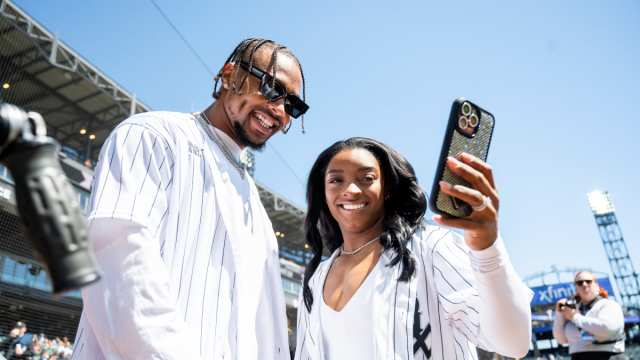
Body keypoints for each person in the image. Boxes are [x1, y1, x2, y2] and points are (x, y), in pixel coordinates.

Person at [72, 37, 309, 359]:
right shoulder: (155, 135)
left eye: (293, 105)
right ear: (229, 74)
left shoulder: (254, 203)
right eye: (271, 88)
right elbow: (120, 263)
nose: (279, 109)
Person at [295, 137, 532, 360]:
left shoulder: (430, 246)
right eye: (336, 180)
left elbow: (513, 343)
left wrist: (487, 249)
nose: (351, 190)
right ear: (323, 193)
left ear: (387, 189)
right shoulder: (314, 280)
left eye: (367, 178)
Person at [553, 271, 626, 359]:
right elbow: (561, 339)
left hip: (608, 355)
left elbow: (607, 328)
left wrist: (575, 317)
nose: (584, 284)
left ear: (596, 285)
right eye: (579, 283)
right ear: (576, 288)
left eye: (588, 281)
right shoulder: (573, 309)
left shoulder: (608, 305)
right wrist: (560, 313)